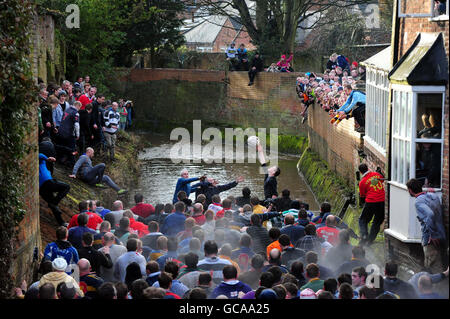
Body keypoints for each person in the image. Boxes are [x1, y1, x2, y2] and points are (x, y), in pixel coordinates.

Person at [406, 178, 447, 273]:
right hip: (442, 234)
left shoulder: (418, 202)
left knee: (432, 267)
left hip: (431, 240)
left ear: (410, 190)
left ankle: (435, 287)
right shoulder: (433, 196)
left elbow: (430, 214)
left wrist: (433, 235)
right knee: (441, 263)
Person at [358, 163, 385, 246]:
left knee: (363, 220)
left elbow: (362, 195)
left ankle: (364, 236)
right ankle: (370, 241)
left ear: (360, 172)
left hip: (371, 202)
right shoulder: (377, 174)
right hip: (382, 201)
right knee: (377, 222)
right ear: (368, 168)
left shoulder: (362, 182)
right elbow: (382, 180)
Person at [39, 153, 70, 226]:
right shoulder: (41, 161)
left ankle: (61, 222)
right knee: (66, 187)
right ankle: (54, 203)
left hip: (41, 189)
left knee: (53, 206)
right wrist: (47, 158)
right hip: (47, 182)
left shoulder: (44, 165)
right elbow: (39, 155)